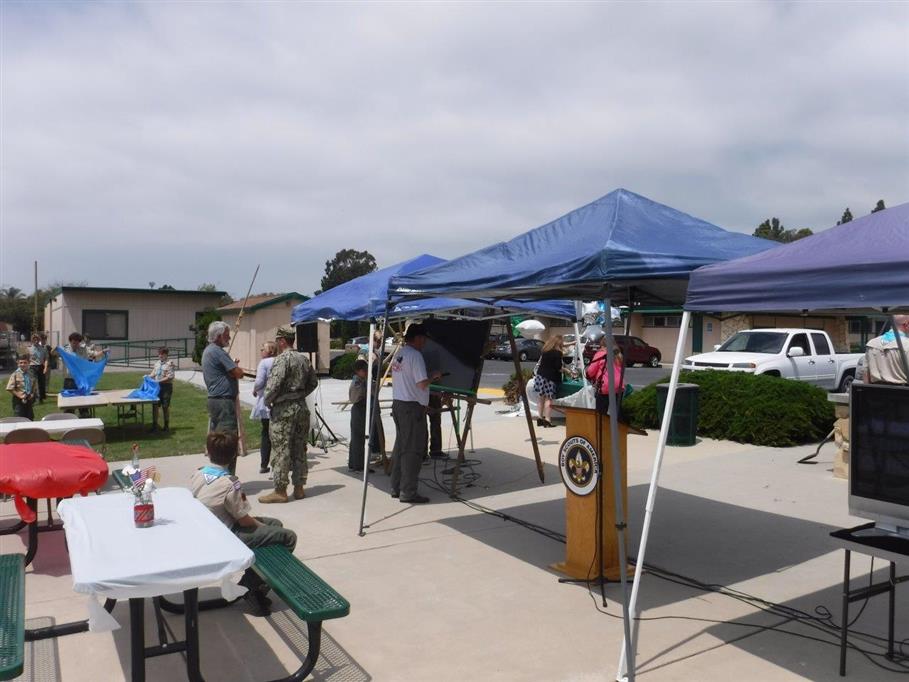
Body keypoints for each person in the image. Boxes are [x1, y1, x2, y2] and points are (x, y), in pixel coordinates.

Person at [191, 431, 297, 617]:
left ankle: (255, 584)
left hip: (206, 532)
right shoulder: (231, 483)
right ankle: (251, 587)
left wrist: (266, 526)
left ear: (207, 451)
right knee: (288, 537)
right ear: (234, 455)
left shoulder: (198, 473)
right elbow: (244, 520)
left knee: (276, 524)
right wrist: (263, 527)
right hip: (225, 538)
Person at [259, 327, 319, 504]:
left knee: (281, 449)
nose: (277, 344)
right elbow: (313, 382)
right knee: (299, 448)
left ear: (283, 341)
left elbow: (273, 386)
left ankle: (280, 490)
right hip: (301, 408)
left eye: (278, 341)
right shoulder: (303, 359)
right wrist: (299, 394)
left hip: (283, 410)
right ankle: (299, 488)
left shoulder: (281, 360)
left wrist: (268, 400)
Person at [390, 324, 442, 504]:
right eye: (424, 339)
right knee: (412, 451)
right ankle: (408, 492)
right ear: (418, 338)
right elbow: (421, 384)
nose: (425, 343)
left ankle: (396, 487)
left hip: (399, 404)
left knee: (400, 448)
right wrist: (434, 376)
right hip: (411, 408)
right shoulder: (416, 356)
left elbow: (409, 382)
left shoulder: (400, 353)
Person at [201, 321, 244, 433]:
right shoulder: (218, 352)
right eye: (226, 335)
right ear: (219, 336)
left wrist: (230, 370)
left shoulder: (208, 350)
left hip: (215, 399)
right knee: (227, 435)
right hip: (223, 401)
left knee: (217, 436)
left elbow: (230, 371)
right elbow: (239, 373)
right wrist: (234, 369)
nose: (229, 338)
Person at [252, 341, 278, 474]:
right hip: (278, 402)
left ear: (271, 351)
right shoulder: (279, 361)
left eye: (263, 349)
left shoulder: (264, 363)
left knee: (266, 433)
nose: (261, 351)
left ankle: (264, 463)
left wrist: (255, 389)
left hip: (266, 401)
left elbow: (260, 381)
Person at [534, 335, 570, 428]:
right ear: (559, 343)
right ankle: (547, 420)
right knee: (548, 399)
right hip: (550, 378)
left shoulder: (545, 350)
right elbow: (558, 367)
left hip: (540, 375)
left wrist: (573, 343)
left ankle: (539, 418)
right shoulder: (558, 353)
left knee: (541, 398)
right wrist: (567, 371)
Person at [347, 358, 375, 472]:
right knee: (358, 438)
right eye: (364, 370)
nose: (367, 372)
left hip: (363, 409)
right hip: (359, 409)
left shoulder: (363, 380)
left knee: (359, 438)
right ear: (358, 371)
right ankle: (358, 465)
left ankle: (355, 463)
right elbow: (355, 398)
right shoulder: (357, 382)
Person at [865, 315, 909, 385]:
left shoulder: (871, 343)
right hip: (901, 390)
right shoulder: (907, 344)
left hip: (874, 389)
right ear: (906, 324)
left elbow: (866, 375)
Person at [586, 340, 626, 415]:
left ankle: (603, 422)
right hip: (619, 386)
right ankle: (619, 422)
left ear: (602, 345)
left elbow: (591, 371)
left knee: (601, 413)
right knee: (617, 411)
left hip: (605, 386)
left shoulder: (601, 354)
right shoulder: (618, 354)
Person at [422, 343, 444, 459]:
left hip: (433, 393)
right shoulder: (423, 355)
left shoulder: (433, 353)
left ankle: (434, 450)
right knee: (428, 423)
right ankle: (428, 451)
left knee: (434, 422)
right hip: (427, 393)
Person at [147, 346, 175, 432]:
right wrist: (148, 376)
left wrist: (158, 381)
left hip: (166, 387)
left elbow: (170, 377)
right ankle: (155, 425)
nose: (160, 356)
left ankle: (166, 426)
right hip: (157, 387)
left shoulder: (170, 364)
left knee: (165, 407)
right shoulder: (157, 363)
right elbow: (154, 373)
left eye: (162, 354)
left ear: (166, 354)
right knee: (155, 406)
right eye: (159, 354)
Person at [7, 353, 38, 420]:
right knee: (19, 418)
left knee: (30, 418)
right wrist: (20, 395)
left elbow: (34, 385)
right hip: (18, 400)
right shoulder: (15, 374)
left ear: (28, 363)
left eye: (25, 363)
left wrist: (32, 394)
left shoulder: (31, 374)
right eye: (21, 363)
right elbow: (10, 388)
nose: (23, 364)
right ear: (18, 364)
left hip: (29, 399)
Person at [28, 334, 49, 403]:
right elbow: (26, 358)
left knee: (41, 383)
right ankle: (32, 398)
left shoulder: (43, 349)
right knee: (33, 382)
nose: (36, 341)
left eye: (37, 340)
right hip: (32, 367)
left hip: (41, 366)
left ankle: (41, 398)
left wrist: (45, 368)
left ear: (39, 340)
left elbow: (46, 359)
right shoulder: (29, 348)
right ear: (32, 340)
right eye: (34, 340)